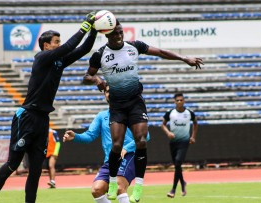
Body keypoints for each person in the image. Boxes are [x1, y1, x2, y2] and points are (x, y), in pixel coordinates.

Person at [83, 20, 203, 202]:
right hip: (117, 105)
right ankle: (113, 182)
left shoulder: (134, 46)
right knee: (116, 145)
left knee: (141, 140)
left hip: (135, 103)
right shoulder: (100, 54)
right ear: (107, 34)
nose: (119, 35)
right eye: (115, 33)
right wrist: (96, 79)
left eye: (121, 32)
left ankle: (138, 185)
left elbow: (161, 52)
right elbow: (87, 75)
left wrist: (183, 58)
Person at [0, 12, 98, 203]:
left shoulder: (58, 61)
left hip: (43, 119)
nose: (59, 45)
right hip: (27, 116)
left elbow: (83, 49)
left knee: (36, 170)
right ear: (46, 46)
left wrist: (93, 30)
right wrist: (84, 26)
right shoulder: (42, 57)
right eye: (56, 41)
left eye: (59, 41)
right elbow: (71, 46)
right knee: (13, 164)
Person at [63, 85, 150, 203]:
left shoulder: (131, 113)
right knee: (96, 190)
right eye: (108, 91)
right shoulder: (101, 116)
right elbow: (89, 136)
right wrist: (76, 137)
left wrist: (126, 147)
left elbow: (146, 136)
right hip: (111, 160)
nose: (110, 93)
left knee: (119, 186)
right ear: (104, 95)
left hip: (129, 156)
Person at [161, 93, 198, 198]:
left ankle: (173, 189)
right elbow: (163, 124)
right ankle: (183, 183)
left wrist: (193, 136)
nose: (179, 102)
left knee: (177, 162)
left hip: (184, 142)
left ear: (184, 101)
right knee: (177, 166)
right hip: (173, 142)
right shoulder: (170, 113)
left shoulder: (189, 113)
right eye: (177, 100)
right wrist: (168, 133)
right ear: (174, 101)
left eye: (181, 100)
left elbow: (195, 123)